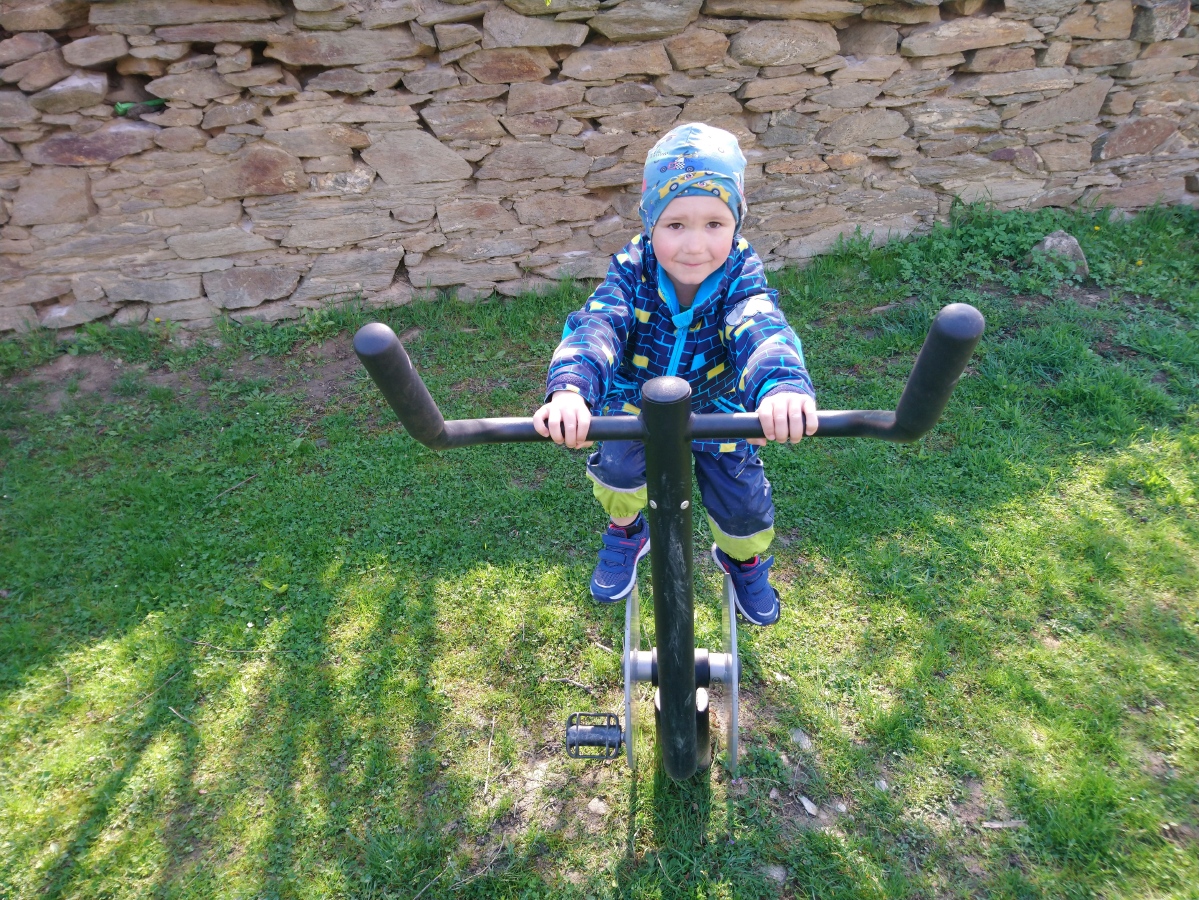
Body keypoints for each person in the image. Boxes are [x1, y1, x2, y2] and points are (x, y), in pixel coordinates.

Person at [532, 123, 818, 626]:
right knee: (618, 472)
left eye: (714, 223)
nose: (695, 245)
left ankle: (742, 560)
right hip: (635, 402)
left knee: (744, 508)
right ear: (650, 224)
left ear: (736, 223)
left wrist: (781, 387)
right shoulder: (632, 268)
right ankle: (627, 530)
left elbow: (760, 325)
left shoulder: (740, 273)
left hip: (717, 408)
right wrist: (572, 390)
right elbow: (599, 324)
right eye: (676, 224)